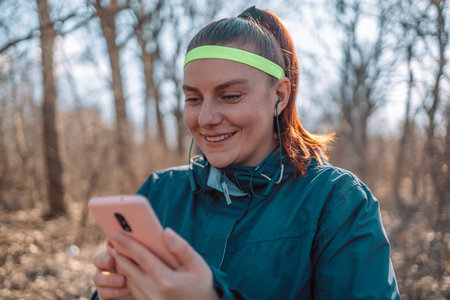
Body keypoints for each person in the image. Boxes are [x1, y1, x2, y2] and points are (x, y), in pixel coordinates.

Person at [91, 6, 400, 300]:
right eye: (194, 99)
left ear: (279, 96)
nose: (205, 118)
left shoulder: (336, 202)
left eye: (230, 96)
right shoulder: (160, 193)